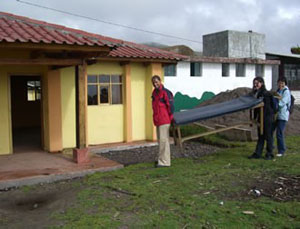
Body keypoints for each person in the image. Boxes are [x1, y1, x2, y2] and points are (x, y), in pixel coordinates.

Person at [248, 77, 275, 160]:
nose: (255, 85)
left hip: (267, 118)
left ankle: (269, 154)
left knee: (268, 136)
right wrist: (254, 118)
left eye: (257, 83)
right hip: (261, 118)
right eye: (254, 83)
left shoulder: (265, 93)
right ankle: (258, 153)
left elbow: (266, 107)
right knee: (261, 136)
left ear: (262, 83)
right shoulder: (256, 93)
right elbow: (256, 108)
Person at [151, 75, 173, 167]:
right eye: (153, 82)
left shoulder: (166, 92)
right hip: (158, 120)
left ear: (160, 81)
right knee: (161, 142)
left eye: (156, 82)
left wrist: (170, 118)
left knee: (164, 141)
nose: (155, 84)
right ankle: (162, 160)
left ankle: (165, 162)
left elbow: (171, 107)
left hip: (164, 120)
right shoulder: (154, 93)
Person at [272, 77, 291, 157]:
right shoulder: (278, 91)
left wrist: (274, 105)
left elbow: (282, 103)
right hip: (276, 115)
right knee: (270, 130)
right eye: (279, 83)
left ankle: (281, 151)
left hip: (283, 115)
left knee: (279, 133)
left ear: (285, 83)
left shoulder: (286, 92)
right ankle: (271, 148)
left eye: (282, 83)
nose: (280, 84)